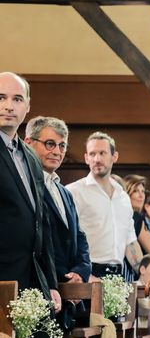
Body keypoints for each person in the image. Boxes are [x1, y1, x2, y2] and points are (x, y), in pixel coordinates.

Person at [0, 72, 61, 338]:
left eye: (16, 99)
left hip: (34, 283)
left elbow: (43, 226)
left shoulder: (26, 155)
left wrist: (51, 283)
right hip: (1, 282)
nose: (8, 105)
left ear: (26, 107)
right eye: (1, 97)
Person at [67, 132, 144, 279]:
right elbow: (65, 239)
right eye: (92, 154)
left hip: (118, 275)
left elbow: (130, 241)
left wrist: (143, 272)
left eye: (102, 153)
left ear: (114, 157)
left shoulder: (123, 197)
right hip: (86, 273)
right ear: (86, 158)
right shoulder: (73, 191)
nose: (97, 159)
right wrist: (84, 275)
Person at [24, 116, 91, 283]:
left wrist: (80, 271)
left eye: (62, 146)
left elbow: (79, 236)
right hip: (40, 283)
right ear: (28, 143)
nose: (57, 152)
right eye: (49, 144)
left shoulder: (65, 192)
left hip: (70, 285)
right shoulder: (25, 185)